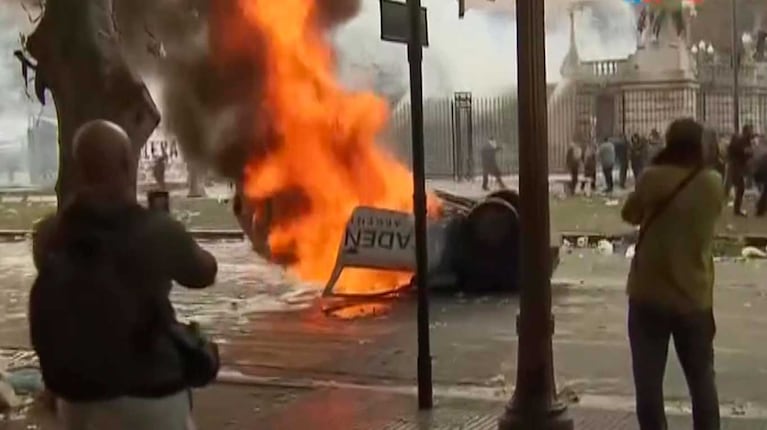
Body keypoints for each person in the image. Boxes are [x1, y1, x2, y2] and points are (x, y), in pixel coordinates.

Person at [30, 120, 218, 430]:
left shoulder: (50, 235)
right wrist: (171, 233)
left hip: (76, 398)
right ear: (127, 163)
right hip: (151, 393)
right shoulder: (155, 230)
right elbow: (203, 272)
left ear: (78, 168)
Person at [621, 118, 723, 430]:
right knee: (702, 381)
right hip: (694, 295)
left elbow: (629, 214)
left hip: (648, 293)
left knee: (649, 385)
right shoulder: (712, 183)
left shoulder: (651, 178)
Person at [727, 124, 755, 216]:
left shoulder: (744, 140)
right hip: (736, 166)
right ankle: (736, 210)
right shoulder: (742, 140)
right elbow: (746, 152)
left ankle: (736, 209)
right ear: (746, 131)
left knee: (738, 187)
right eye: (751, 130)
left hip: (736, 166)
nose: (752, 132)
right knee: (740, 187)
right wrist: (748, 152)